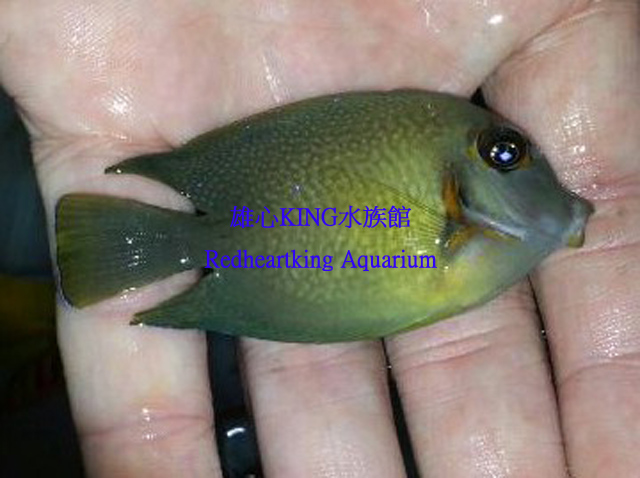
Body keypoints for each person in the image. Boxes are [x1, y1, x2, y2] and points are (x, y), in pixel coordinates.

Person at [1, 1, 638, 476]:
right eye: (504, 153)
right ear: (460, 181)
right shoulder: (463, 215)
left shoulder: (482, 229)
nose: (515, 161)